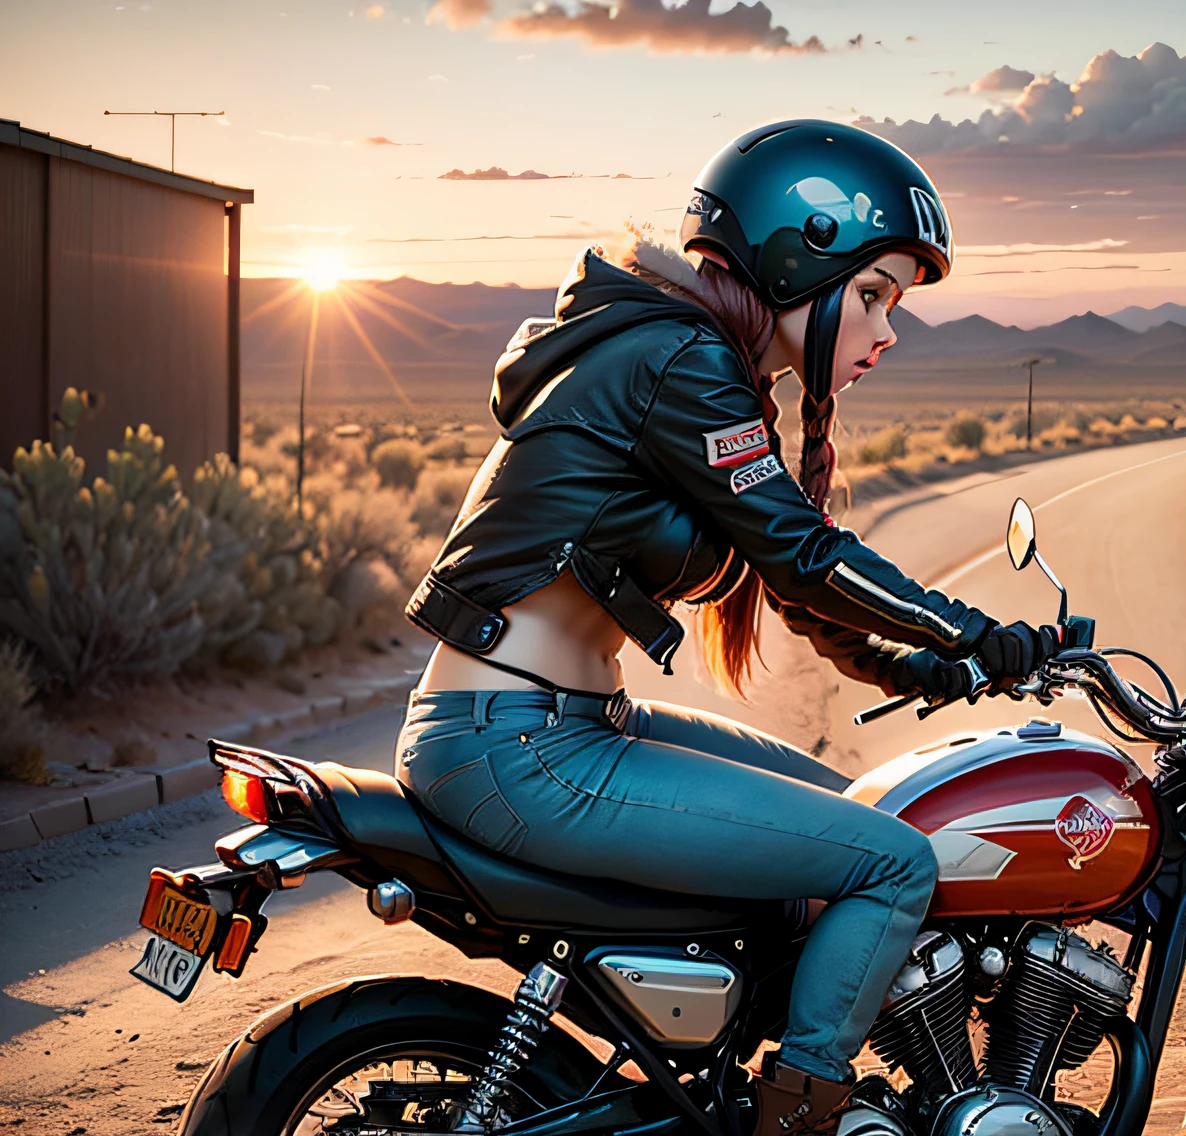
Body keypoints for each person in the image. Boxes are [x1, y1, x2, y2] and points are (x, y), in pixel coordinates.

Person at [393, 120, 1057, 1135]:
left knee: (862, 811)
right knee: (893, 863)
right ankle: (798, 1116)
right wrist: (974, 631)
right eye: (874, 293)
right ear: (798, 259)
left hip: (554, 723)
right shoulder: (677, 356)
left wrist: (919, 663)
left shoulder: (680, 354)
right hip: (518, 744)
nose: (886, 330)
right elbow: (803, 553)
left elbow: (787, 579)